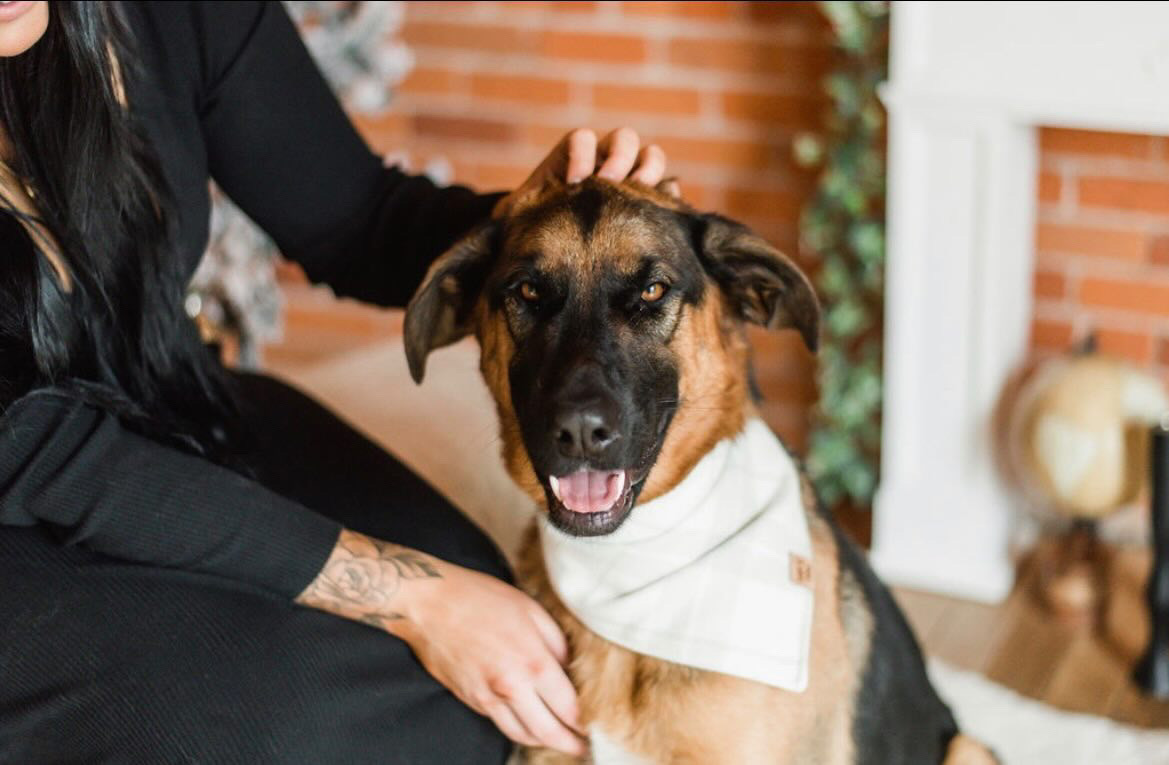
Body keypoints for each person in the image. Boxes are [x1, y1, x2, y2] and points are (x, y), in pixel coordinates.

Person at [0, 2, 669, 762]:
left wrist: (530, 227)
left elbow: (356, 222)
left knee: (487, 626)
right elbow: (38, 450)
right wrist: (408, 596)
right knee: (297, 716)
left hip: (168, 396)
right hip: (21, 487)